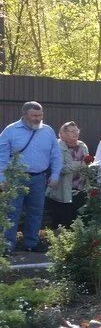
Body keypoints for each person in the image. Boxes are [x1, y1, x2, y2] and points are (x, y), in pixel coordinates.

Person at [0, 102, 62, 253]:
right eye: (35, 115)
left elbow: (56, 155)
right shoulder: (10, 131)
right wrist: (1, 178)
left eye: (40, 115)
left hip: (39, 179)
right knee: (12, 212)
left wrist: (55, 174)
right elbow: (1, 157)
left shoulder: (48, 131)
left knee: (36, 212)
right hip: (14, 178)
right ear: (25, 115)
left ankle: (31, 244)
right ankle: (7, 246)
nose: (38, 118)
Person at [46, 122, 90, 229]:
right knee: (63, 221)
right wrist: (80, 164)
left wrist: (84, 164)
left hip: (81, 188)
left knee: (80, 219)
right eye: (72, 131)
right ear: (63, 133)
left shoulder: (82, 145)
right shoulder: (57, 146)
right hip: (63, 190)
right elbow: (61, 168)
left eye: (76, 131)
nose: (75, 133)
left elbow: (88, 164)